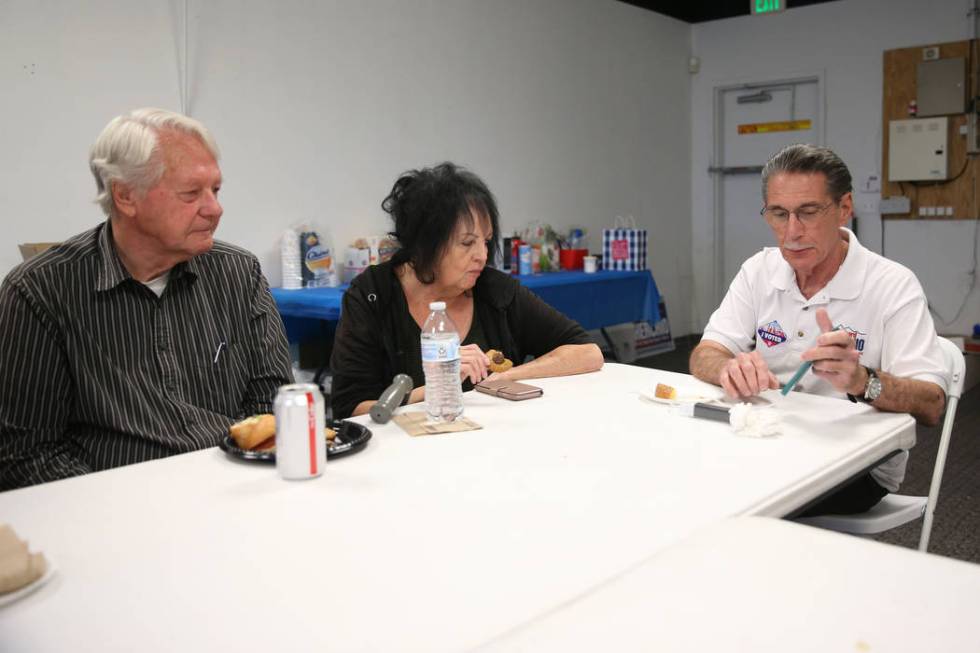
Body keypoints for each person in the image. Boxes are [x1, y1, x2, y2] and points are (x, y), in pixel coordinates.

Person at [0, 108, 292, 490]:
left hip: (235, 490)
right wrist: (120, 508)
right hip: (110, 508)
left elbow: (273, 405)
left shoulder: (238, 273)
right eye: (191, 194)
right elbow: (26, 455)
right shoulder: (41, 292)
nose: (215, 209)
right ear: (125, 196)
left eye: (216, 190)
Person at [689, 143, 947, 516]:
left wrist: (861, 380)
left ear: (844, 208)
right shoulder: (758, 270)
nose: (792, 231)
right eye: (779, 213)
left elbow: (932, 404)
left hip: (855, 466)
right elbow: (706, 353)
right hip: (766, 439)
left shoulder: (893, 285)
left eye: (808, 212)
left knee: (736, 497)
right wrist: (728, 367)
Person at [330, 162, 604, 419]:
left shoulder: (495, 291)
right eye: (467, 243)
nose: (482, 256)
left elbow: (588, 352)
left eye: (485, 242)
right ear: (426, 243)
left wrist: (509, 376)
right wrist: (438, 386)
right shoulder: (372, 296)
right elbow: (351, 407)